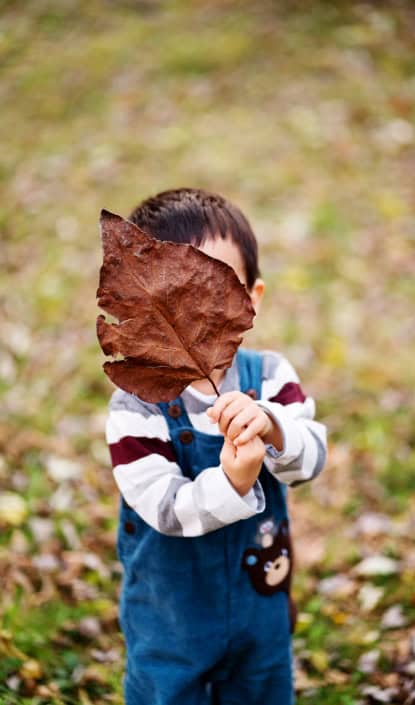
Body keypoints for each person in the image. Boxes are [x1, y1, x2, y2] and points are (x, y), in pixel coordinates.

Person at [104, 187, 328, 705]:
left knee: (262, 690)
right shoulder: (137, 405)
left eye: (220, 285)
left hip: (260, 607)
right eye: (180, 292)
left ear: (253, 297)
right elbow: (163, 508)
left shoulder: (269, 377)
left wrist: (272, 427)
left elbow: (311, 457)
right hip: (170, 619)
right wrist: (233, 483)